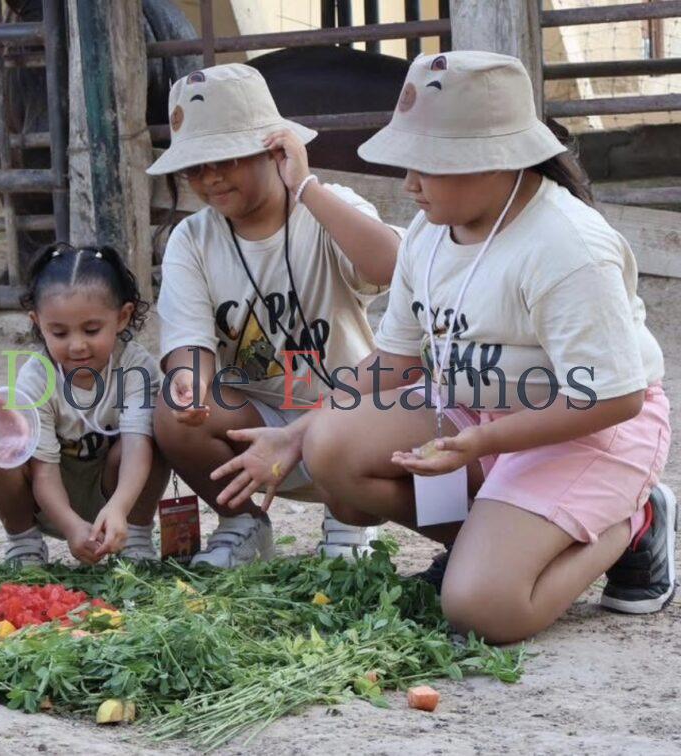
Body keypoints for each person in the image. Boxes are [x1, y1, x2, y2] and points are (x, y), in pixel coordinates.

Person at [230, 51, 673, 643]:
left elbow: (614, 399)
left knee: (481, 611)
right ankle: (486, 543)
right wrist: (296, 430)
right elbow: (399, 361)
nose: (409, 183)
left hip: (583, 429)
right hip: (475, 410)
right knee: (332, 449)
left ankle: (635, 521)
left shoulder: (568, 246)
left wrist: (480, 443)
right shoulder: (429, 232)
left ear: (497, 160)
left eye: (428, 164)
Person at [147, 63, 400, 567]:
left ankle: (348, 522)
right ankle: (243, 525)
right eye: (195, 166)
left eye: (226, 158)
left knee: (356, 421)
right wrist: (190, 386)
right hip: (254, 422)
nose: (210, 177)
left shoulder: (328, 207)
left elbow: (393, 266)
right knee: (171, 416)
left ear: (275, 148)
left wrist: (305, 187)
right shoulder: (192, 239)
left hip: (343, 414)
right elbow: (188, 340)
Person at [0, 243, 169, 565]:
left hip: (117, 496)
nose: (77, 345)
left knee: (159, 432)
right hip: (50, 500)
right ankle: (24, 542)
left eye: (92, 330)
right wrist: (70, 526)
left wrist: (120, 508)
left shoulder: (136, 368)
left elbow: (138, 448)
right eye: (59, 332)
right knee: (0, 442)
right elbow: (43, 472)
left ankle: (136, 536)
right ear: (38, 323)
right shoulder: (36, 379)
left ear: (122, 317)